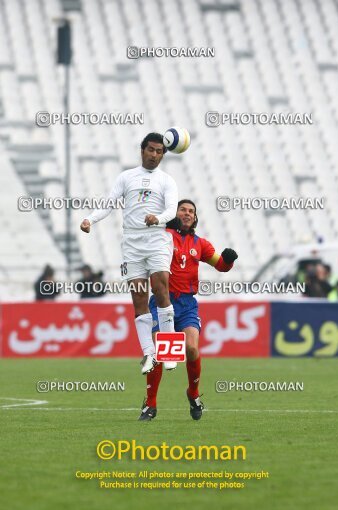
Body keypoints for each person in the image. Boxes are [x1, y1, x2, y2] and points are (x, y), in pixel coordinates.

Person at [80, 133, 178, 374]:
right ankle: (149, 353)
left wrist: (159, 218)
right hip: (132, 242)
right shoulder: (126, 177)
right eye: (151, 150)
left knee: (161, 286)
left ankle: (169, 351)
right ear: (142, 150)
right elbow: (109, 203)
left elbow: (172, 209)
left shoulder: (167, 181)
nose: (155, 155)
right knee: (138, 297)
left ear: (163, 155)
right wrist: (89, 219)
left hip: (157, 237)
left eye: (159, 152)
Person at [138, 199, 238, 421]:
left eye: (191, 211)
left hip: (187, 305)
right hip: (163, 302)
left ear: (195, 217)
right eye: (182, 210)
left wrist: (229, 260)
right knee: (159, 352)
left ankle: (193, 394)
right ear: (175, 214)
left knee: (192, 349)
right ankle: (150, 404)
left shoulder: (201, 244)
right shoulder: (163, 236)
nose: (187, 213)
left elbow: (220, 265)